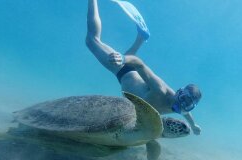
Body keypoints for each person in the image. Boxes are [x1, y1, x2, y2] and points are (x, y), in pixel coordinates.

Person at [85, 0, 202, 135]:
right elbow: (139, 63)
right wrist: (122, 59)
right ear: (179, 92)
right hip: (122, 70)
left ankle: (141, 37)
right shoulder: (160, 89)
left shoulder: (183, 109)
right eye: (183, 99)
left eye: (188, 104)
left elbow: (187, 114)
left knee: (125, 56)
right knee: (92, 40)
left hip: (128, 76)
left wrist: (193, 126)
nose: (182, 105)